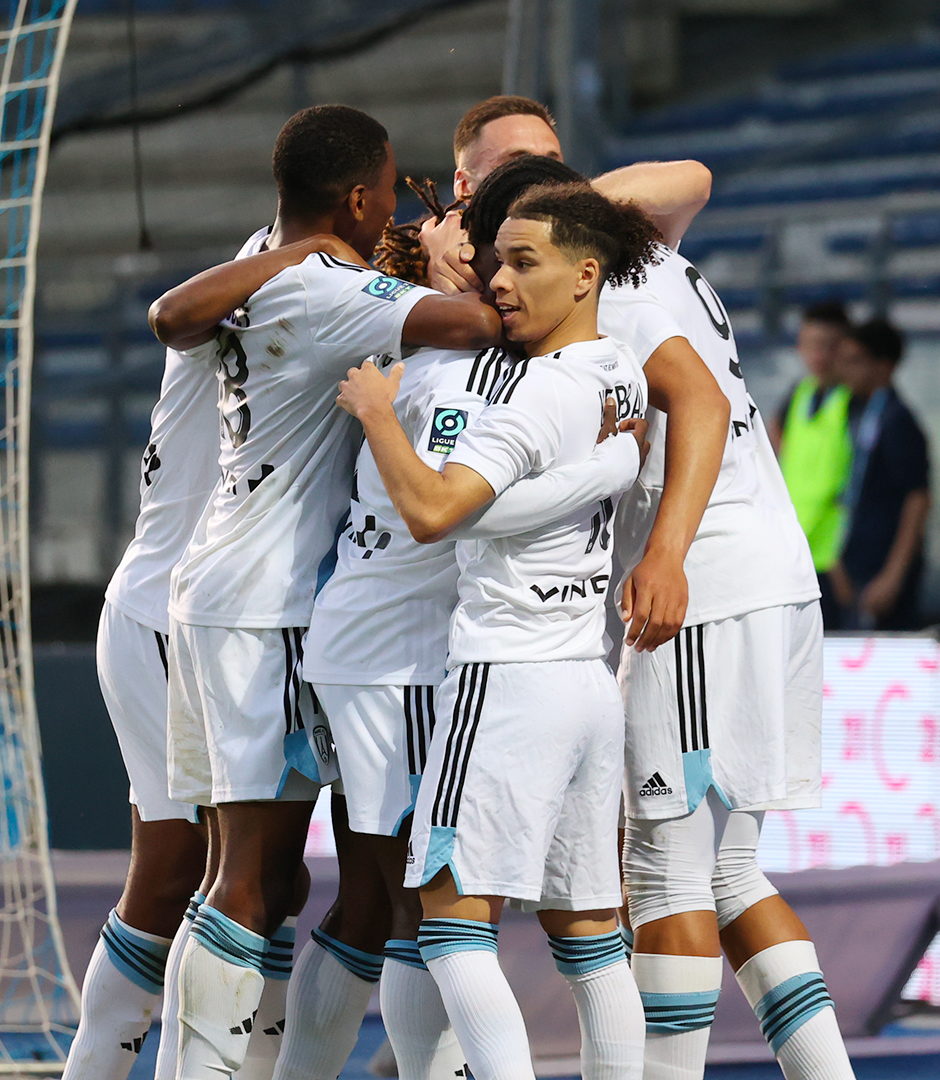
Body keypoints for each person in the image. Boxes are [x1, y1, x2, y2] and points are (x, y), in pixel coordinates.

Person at [455, 156, 851, 1080]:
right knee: (730, 875)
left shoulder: (608, 293)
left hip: (703, 583)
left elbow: (701, 403)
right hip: (762, 573)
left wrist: (664, 553)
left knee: (668, 876)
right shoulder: (647, 261)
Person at [143, 104, 501, 1080]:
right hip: (264, 600)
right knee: (249, 879)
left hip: (226, 581)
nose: (397, 204)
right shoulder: (342, 291)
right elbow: (480, 321)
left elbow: (169, 316)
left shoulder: (275, 278)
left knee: (271, 875)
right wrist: (427, 266)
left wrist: (302, 253)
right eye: (388, 191)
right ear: (356, 198)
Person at [335, 181, 656, 1080]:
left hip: (503, 678)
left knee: (447, 923)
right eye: (495, 259)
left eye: (523, 263)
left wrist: (372, 412)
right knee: (591, 932)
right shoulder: (618, 369)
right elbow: (596, 470)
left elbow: (435, 511)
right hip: (586, 685)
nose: (499, 280)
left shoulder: (539, 395)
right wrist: (609, 465)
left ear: (585, 274)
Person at [62, 231, 354, 1080]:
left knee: (277, 884)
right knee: (179, 875)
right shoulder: (284, 277)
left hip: (241, 615)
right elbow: (174, 315)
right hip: (178, 612)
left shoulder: (293, 276)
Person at [422, 97, 727, 654]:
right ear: (466, 186)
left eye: (553, 159)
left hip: (690, 572)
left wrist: (663, 552)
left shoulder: (587, 285)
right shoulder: (599, 263)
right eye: (518, 158)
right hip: (634, 594)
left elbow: (703, 403)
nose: (547, 174)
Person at [834, 318, 929, 631]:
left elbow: (918, 498)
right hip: (852, 562)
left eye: (855, 361)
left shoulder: (897, 420)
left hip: (881, 567)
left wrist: (893, 575)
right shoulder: (851, 411)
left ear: (883, 366)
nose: (844, 369)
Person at [769, 302, 854, 629]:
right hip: (795, 550)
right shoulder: (798, 395)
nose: (820, 355)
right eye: (812, 345)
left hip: (836, 557)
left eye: (830, 345)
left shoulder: (855, 400)